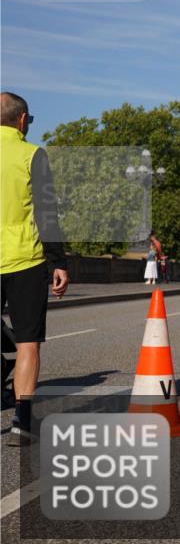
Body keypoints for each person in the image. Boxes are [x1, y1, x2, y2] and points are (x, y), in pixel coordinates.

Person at [1, 92, 69, 446]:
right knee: (28, 343)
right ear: (23, 119)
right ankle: (22, 423)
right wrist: (58, 262)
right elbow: (46, 212)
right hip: (25, 260)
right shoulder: (32, 154)